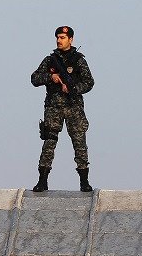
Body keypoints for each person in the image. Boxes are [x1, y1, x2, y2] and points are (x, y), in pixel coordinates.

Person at [31, 26, 95, 192]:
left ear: (71, 39)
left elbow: (89, 82)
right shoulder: (50, 60)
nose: (59, 40)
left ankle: (84, 181)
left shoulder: (79, 60)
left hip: (74, 107)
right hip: (54, 107)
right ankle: (42, 180)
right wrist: (50, 77)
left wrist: (73, 89)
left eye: (63, 38)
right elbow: (34, 78)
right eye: (58, 37)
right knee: (49, 143)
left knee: (79, 143)